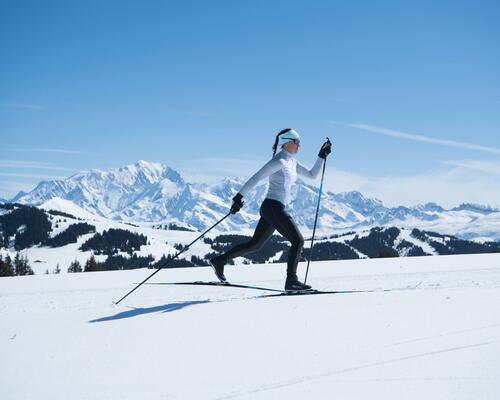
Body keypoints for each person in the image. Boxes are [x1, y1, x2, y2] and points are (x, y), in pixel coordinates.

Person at [210, 128, 332, 291]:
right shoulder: (279, 161)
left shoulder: (291, 162)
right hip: (272, 206)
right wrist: (239, 197)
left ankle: (220, 261)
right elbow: (257, 177)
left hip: (273, 208)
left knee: (255, 245)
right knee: (298, 240)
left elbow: (312, 175)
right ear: (287, 143)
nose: (299, 146)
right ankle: (291, 281)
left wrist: (321, 155)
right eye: (297, 143)